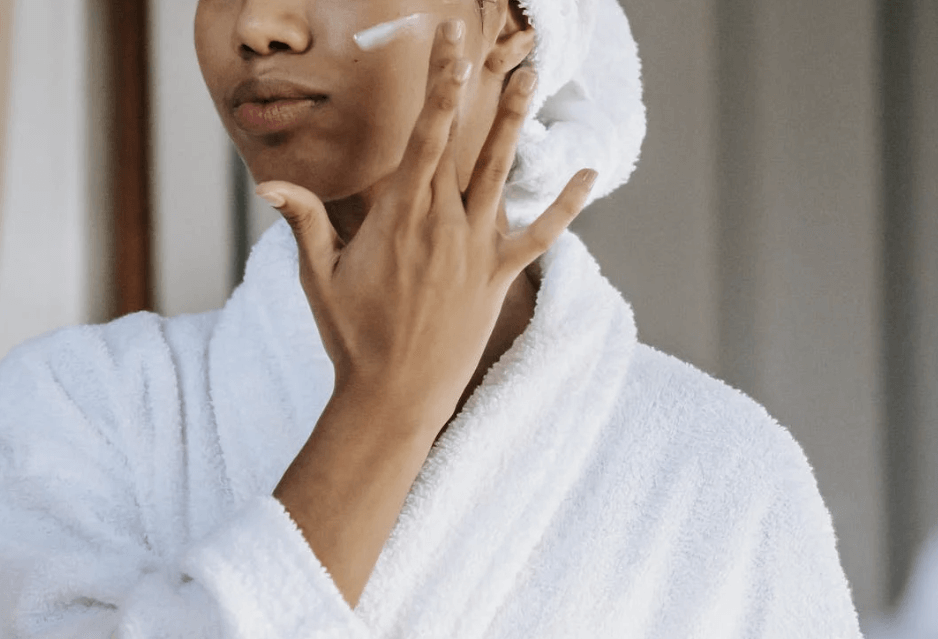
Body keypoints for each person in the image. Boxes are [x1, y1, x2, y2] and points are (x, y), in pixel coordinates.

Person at [0, 0, 863, 636]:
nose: (258, 24)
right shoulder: (77, 411)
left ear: (516, 19)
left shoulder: (718, 478)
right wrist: (384, 408)